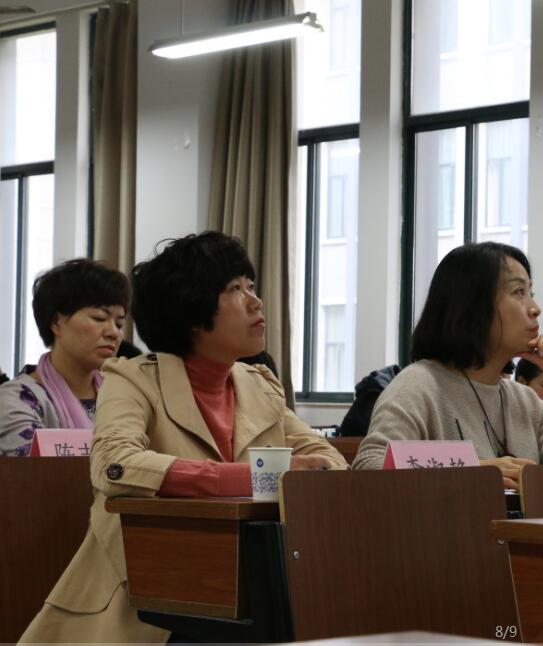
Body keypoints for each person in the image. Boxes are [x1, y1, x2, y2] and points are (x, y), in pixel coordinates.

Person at [21, 232, 347, 644]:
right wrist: (252, 478)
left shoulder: (259, 384)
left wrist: (314, 471)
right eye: (235, 289)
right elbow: (114, 464)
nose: (256, 301)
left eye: (251, 286)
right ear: (192, 312)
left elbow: (328, 460)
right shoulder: (133, 379)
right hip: (146, 603)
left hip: (251, 589)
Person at [352, 242, 543, 487]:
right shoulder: (419, 385)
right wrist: (472, 474)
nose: (535, 308)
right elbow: (369, 469)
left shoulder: (525, 401)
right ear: (472, 305)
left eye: (531, 293)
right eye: (519, 292)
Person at [0, 259, 129, 456]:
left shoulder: (125, 397)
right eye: (99, 318)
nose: (114, 333)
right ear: (56, 323)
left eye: (119, 324)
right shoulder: (15, 400)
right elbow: (35, 470)